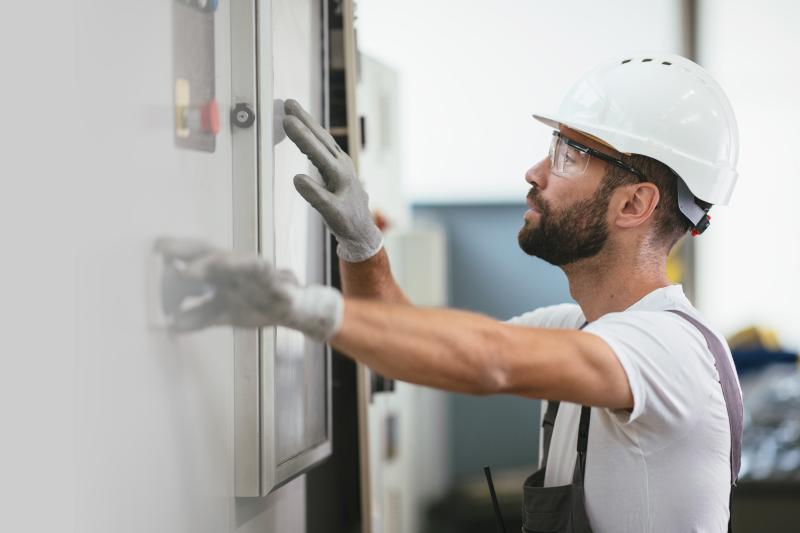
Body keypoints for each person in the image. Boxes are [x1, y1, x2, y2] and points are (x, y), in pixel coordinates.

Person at [157, 53, 742, 533]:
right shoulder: (580, 327)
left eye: (567, 154)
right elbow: (407, 338)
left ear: (635, 204)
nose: (534, 172)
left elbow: (491, 360)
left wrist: (295, 304)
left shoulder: (670, 351)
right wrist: (362, 245)